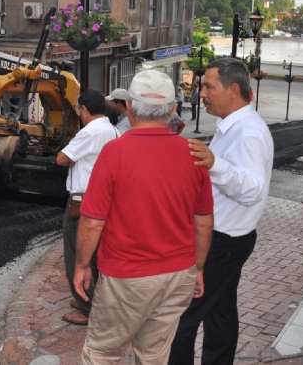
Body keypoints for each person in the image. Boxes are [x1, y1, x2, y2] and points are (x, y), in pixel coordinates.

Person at [73, 70, 214, 364]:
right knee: (153, 355)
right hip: (178, 275)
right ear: (173, 110)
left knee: (102, 353)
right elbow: (203, 220)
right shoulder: (195, 153)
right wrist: (198, 268)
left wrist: (82, 264)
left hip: (127, 276)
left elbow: (92, 221)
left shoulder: (115, 152)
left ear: (131, 107)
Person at [169, 58, 274, 365]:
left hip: (223, 242)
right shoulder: (235, 127)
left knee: (183, 318)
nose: (201, 93)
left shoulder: (248, 133)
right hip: (228, 239)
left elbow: (253, 189)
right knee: (220, 313)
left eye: (208, 86)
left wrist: (216, 164)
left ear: (233, 89)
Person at [56, 89, 117, 325]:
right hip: (102, 197)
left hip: (82, 199)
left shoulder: (89, 131)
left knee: (76, 251)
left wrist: (71, 152)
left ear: (84, 109)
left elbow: (61, 158)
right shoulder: (111, 129)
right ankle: (94, 299)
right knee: (96, 256)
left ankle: (85, 306)